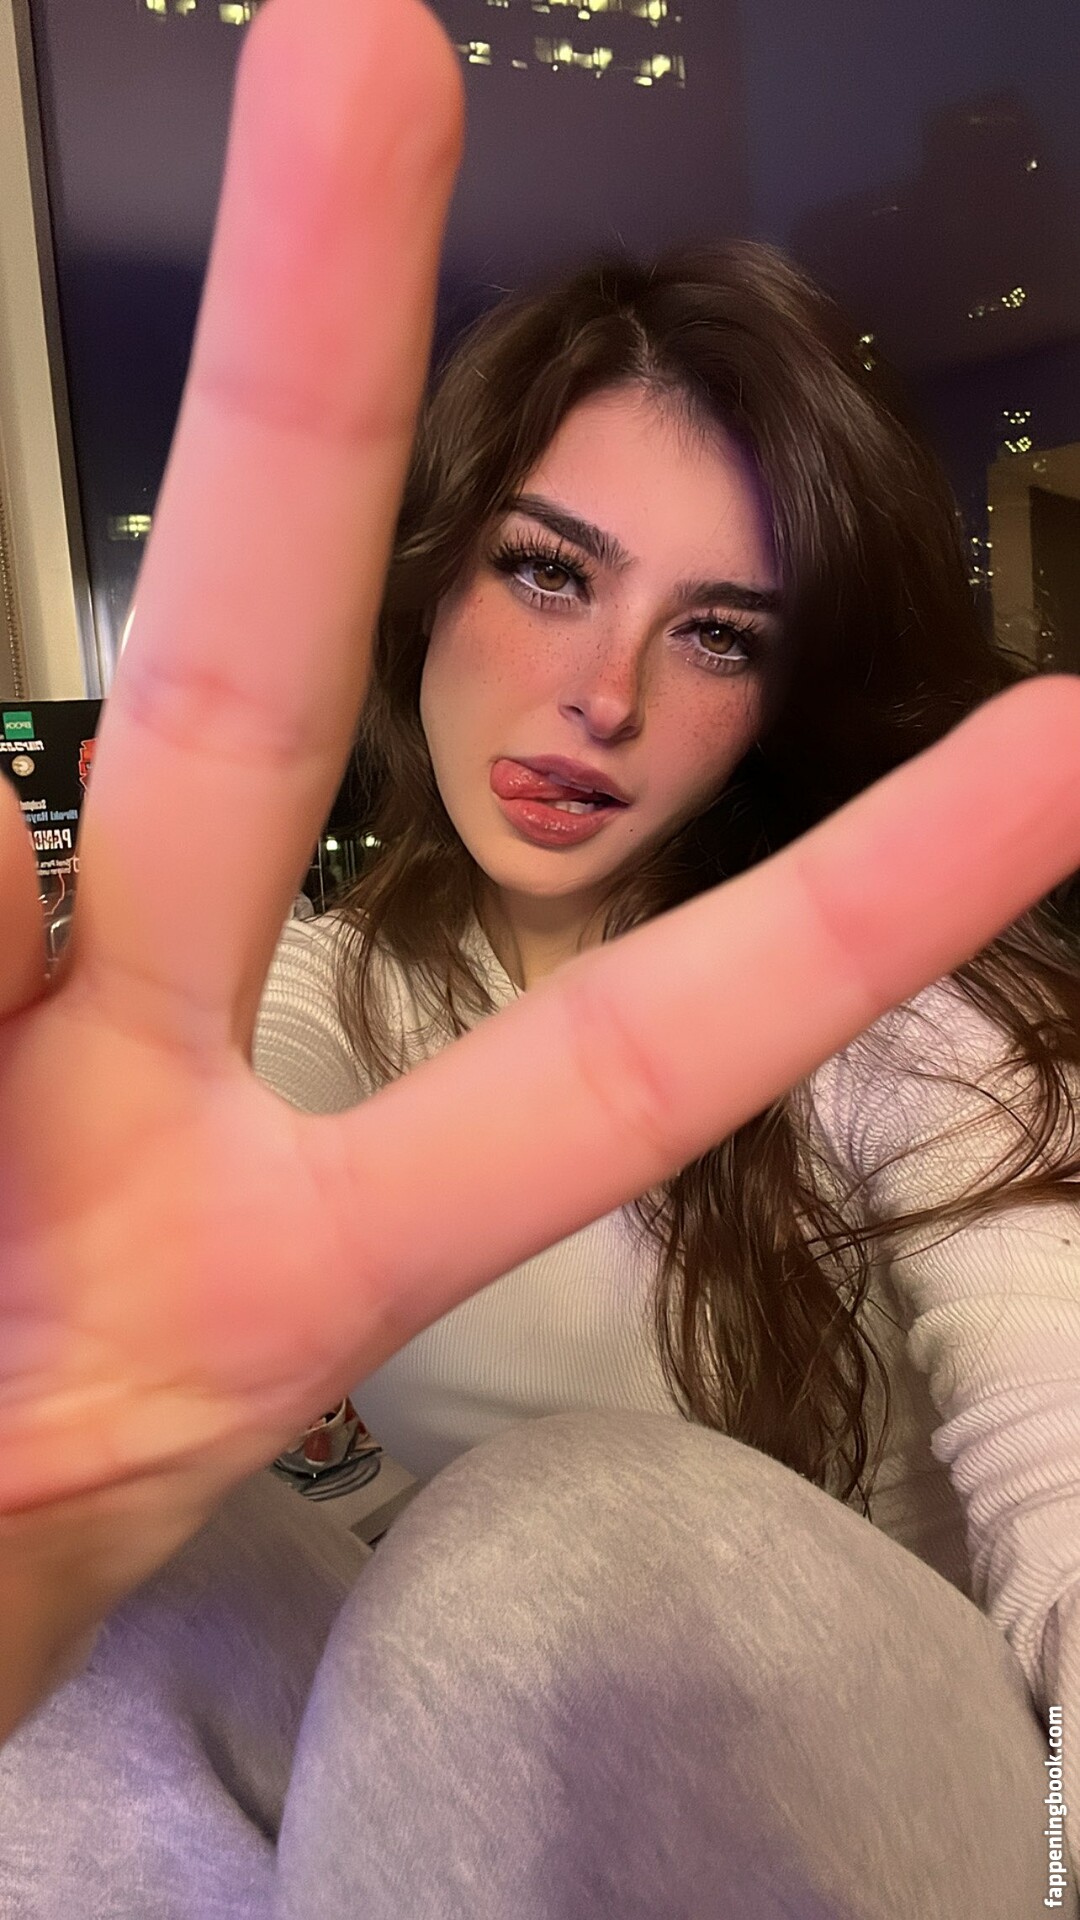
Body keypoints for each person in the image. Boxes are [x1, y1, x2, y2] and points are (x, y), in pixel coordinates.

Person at [0, 1, 1078, 1916]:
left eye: (720, 633)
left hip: (914, 1810)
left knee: (552, 1540)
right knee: (101, 1609)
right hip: (463, 1808)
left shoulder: (903, 1020)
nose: (604, 696)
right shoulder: (331, 988)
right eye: (551, 570)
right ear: (433, 574)